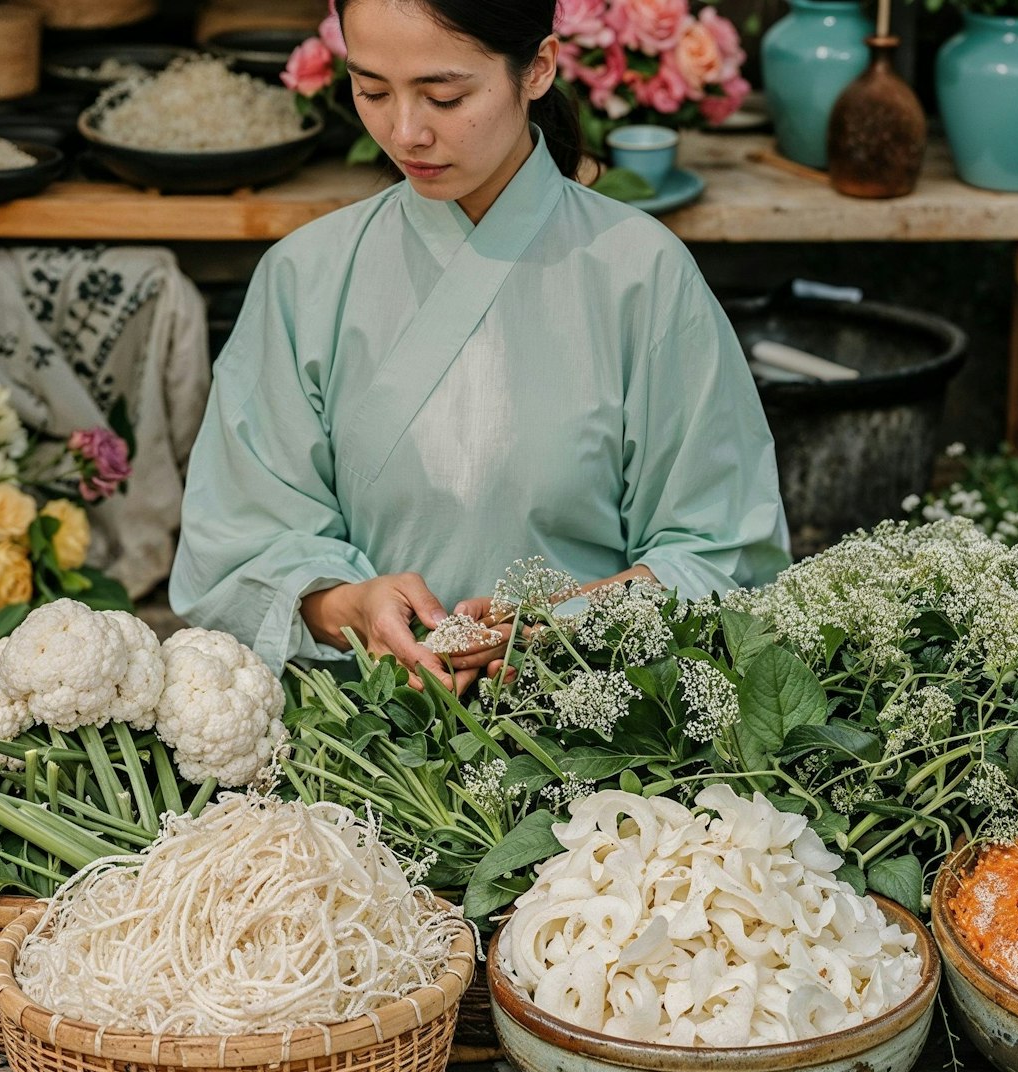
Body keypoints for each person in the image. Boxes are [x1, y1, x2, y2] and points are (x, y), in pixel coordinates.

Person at [170, 0, 790, 693]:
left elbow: (722, 554)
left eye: (445, 95)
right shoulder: (305, 275)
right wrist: (350, 606)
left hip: (600, 726)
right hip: (359, 735)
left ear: (539, 69)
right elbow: (240, 545)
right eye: (371, 90)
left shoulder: (640, 272)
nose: (405, 132)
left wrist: (569, 625)